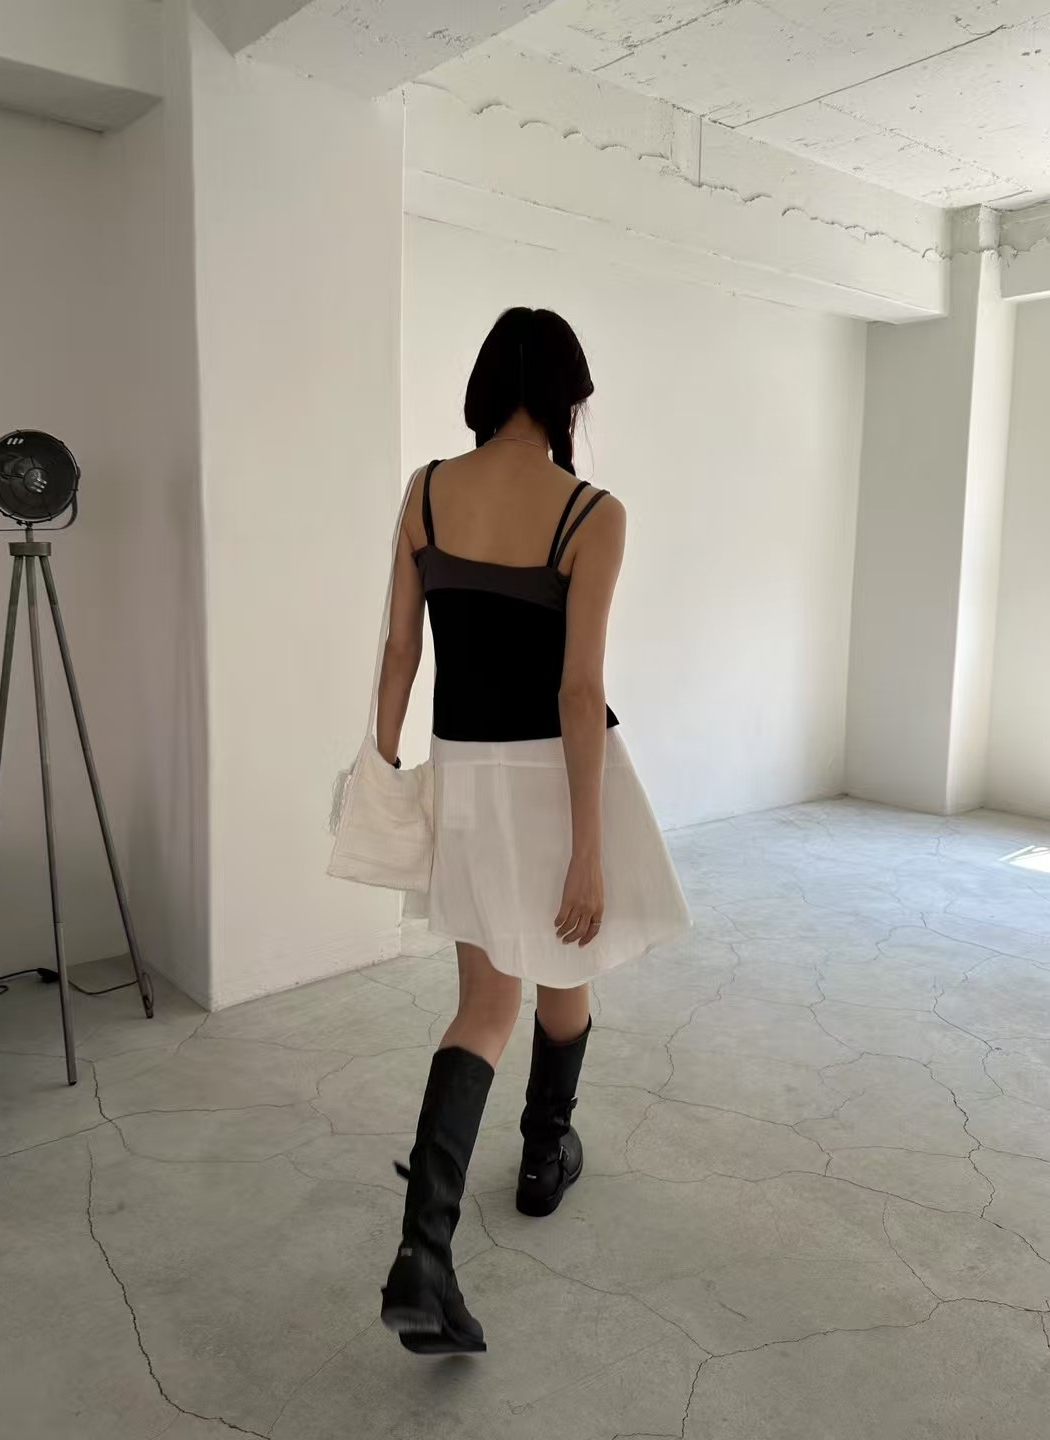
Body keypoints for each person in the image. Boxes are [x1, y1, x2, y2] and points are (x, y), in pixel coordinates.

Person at [376, 307, 691, 1354]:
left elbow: (399, 650)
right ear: (567, 398)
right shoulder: (591, 512)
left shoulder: (427, 490)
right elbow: (579, 689)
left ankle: (424, 1247)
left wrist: (386, 767)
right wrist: (588, 849)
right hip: (554, 780)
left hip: (464, 772)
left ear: (483, 389)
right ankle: (545, 1153)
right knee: (567, 971)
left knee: (482, 1003)